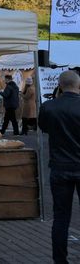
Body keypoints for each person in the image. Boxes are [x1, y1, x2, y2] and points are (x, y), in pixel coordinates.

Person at [38, 70, 80, 264]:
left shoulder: (49, 107)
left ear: (60, 86)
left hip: (59, 166)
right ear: (78, 85)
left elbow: (44, 127)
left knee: (61, 217)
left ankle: (60, 260)